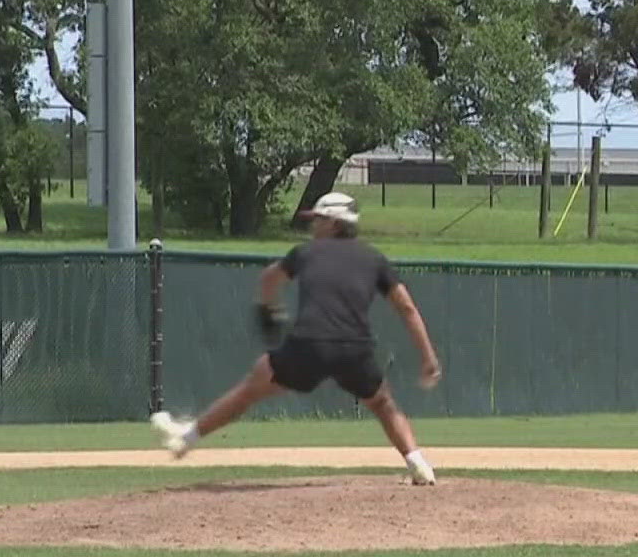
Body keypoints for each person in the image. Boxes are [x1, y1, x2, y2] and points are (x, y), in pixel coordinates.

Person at [150, 191, 443, 485]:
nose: (313, 226)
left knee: (249, 390)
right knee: (383, 404)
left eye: (318, 219)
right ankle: (417, 463)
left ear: (334, 223)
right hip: (354, 348)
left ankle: (186, 439)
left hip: (309, 344)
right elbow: (406, 307)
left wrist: (269, 308)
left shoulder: (306, 253)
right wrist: (428, 357)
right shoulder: (374, 259)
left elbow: (268, 279)